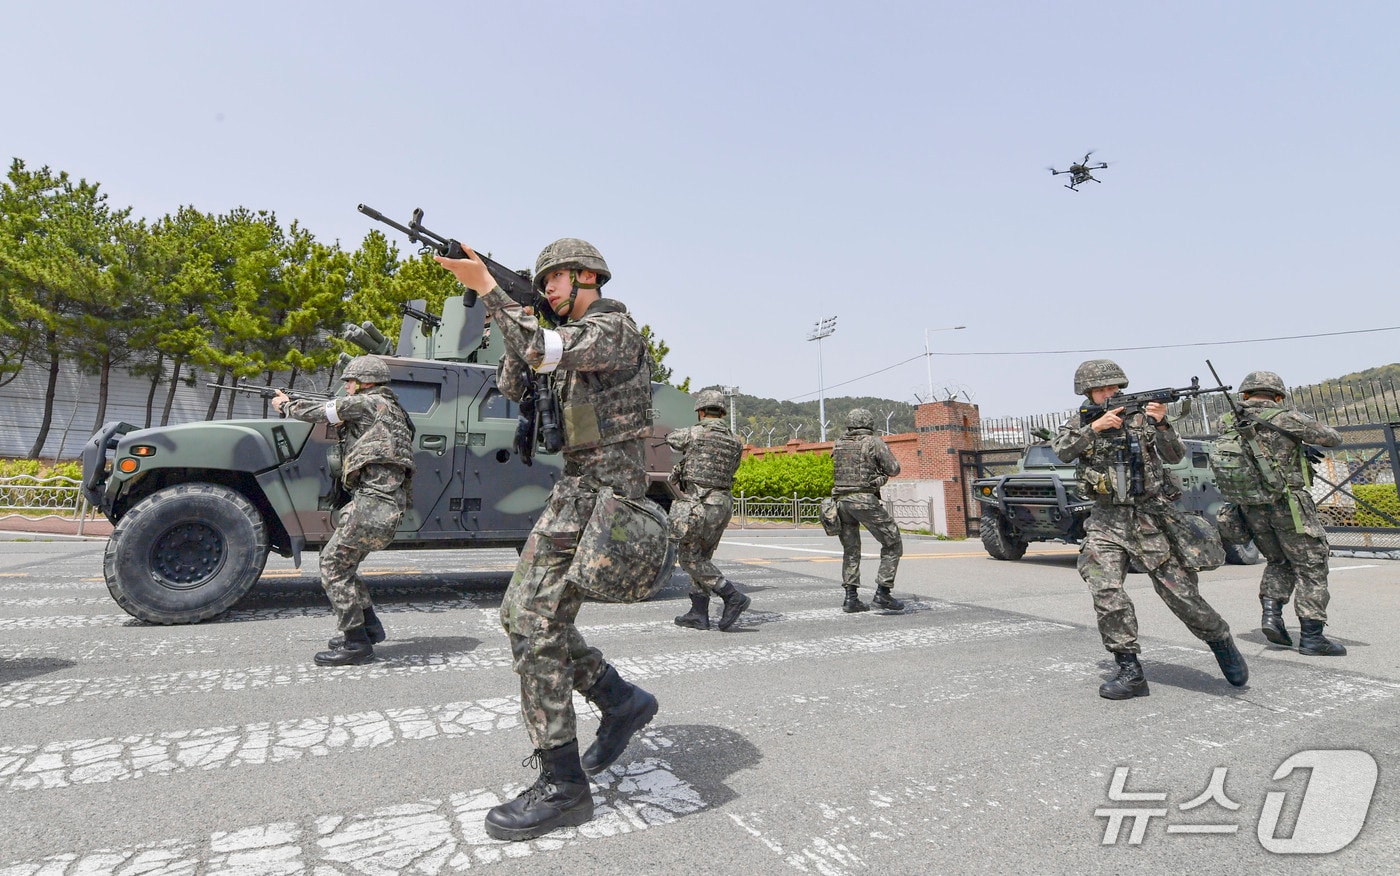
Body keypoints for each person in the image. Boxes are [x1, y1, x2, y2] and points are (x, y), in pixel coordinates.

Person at [435, 237, 662, 842]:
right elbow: (514, 378)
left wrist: (491, 286)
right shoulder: (557, 337)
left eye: (557, 278)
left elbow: (539, 349)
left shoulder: (613, 330)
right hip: (576, 492)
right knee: (522, 616)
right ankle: (620, 701)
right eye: (544, 281)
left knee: (534, 624)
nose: (551, 289)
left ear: (588, 276)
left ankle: (563, 786)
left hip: (603, 498)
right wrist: (501, 305)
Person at [1052, 359, 1248, 699]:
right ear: (1088, 392)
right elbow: (1062, 451)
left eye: (1114, 388)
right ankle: (1129, 669)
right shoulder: (1081, 423)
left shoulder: (1142, 419)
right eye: (1102, 389)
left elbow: (1174, 456)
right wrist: (1095, 428)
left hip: (1149, 519)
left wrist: (1162, 424)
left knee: (1181, 595)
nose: (1110, 394)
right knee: (1106, 590)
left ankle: (1220, 639)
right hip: (1105, 521)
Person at [272, 356, 414, 667]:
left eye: (349, 381)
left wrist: (286, 405)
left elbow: (322, 411)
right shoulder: (390, 408)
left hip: (373, 502)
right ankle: (368, 629)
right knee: (343, 566)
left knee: (333, 566)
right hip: (380, 501)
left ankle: (356, 645)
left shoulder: (368, 402)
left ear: (366, 382)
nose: (345, 386)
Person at [1227, 370, 1346, 655]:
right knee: (1311, 566)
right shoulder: (1287, 418)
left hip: (1250, 507)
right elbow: (1333, 438)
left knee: (1278, 560)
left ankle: (1272, 617)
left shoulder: (1229, 422)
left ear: (1244, 395)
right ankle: (1312, 637)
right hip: (1288, 504)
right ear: (1278, 395)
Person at [668, 389, 749, 631]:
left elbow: (672, 439)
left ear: (701, 411)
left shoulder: (694, 433)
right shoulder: (735, 441)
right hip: (723, 503)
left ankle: (732, 595)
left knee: (689, 558)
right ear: (722, 412)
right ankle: (698, 613)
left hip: (701, 503)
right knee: (703, 557)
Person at [830, 408, 905, 613]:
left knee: (851, 550)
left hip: (841, 502)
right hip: (863, 499)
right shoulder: (873, 442)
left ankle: (851, 598)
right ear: (869, 424)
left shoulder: (839, 443)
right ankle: (883, 593)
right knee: (892, 542)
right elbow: (894, 469)